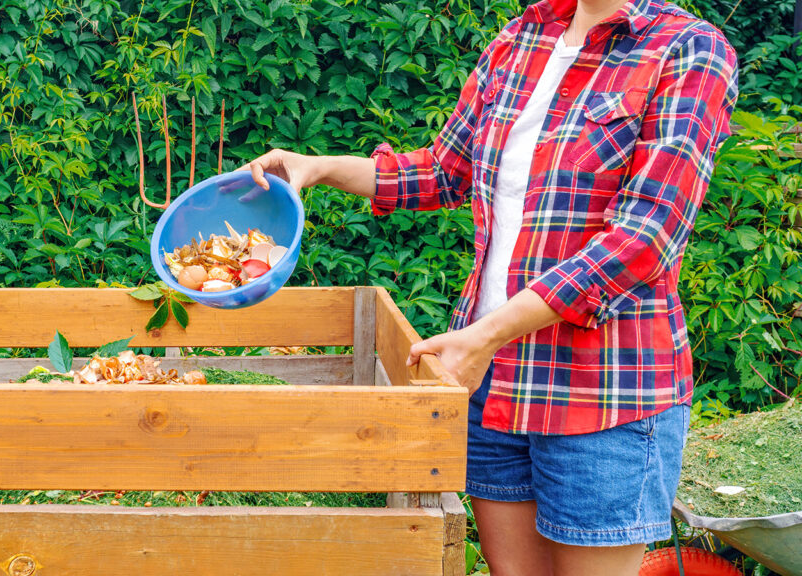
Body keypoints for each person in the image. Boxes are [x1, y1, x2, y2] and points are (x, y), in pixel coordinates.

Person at [240, 0, 738, 573]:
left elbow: (644, 239)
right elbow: (443, 172)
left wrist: (485, 335)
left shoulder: (687, 47)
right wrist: (316, 166)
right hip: (495, 381)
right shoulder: (523, 35)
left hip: (602, 389)